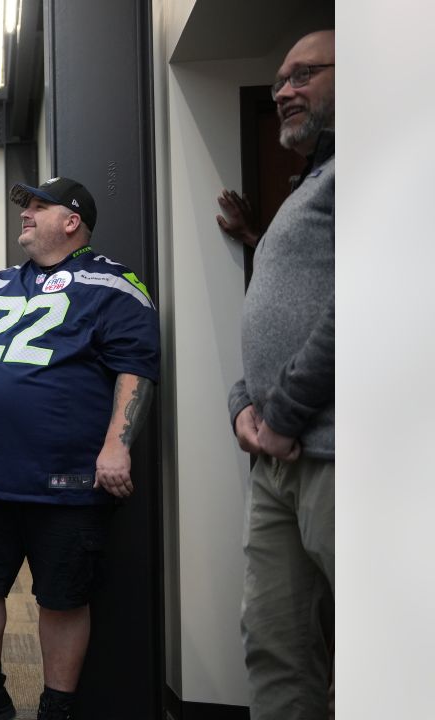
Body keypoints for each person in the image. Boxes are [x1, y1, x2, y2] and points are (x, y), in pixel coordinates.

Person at [0, 177, 159, 720]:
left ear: (71, 221)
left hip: (69, 479)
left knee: (62, 596)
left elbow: (135, 370)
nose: (25, 214)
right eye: (24, 206)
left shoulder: (116, 284)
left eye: (38, 205)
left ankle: (58, 708)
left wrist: (117, 446)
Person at [226, 30, 334, 720]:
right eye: (278, 84)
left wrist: (283, 413)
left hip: (337, 452)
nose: (286, 91)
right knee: (274, 644)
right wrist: (242, 405)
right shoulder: (310, 185)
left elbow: (367, 301)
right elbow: (288, 298)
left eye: (305, 75)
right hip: (274, 460)